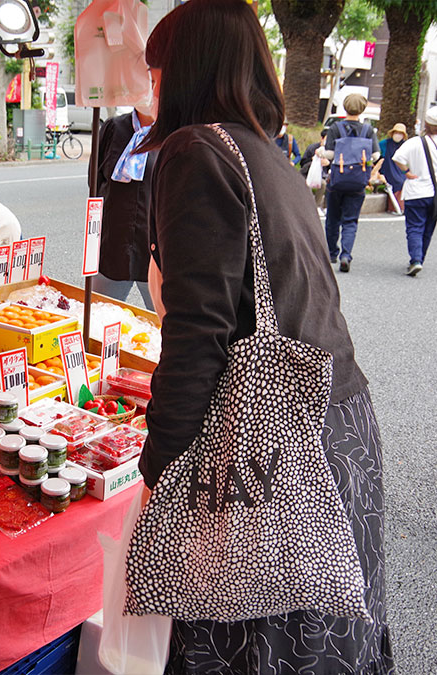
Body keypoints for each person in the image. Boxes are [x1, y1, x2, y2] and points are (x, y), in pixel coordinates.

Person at [132, 1, 392, 672]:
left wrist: (160, 468)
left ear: (184, 69)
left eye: (157, 68)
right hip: (337, 425)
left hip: (273, 440)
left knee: (256, 631)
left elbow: (197, 330)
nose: (151, 85)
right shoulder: (266, 154)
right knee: (324, 615)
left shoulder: (195, 150)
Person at [93, 108, 156, 310]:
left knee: (164, 328)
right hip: (113, 243)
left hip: (156, 249)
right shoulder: (113, 128)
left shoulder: (174, 131)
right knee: (98, 319)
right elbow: (94, 184)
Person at [323, 93, 380, 272]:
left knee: (332, 218)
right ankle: (346, 255)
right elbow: (377, 155)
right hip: (358, 181)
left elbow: (330, 154)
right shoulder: (368, 130)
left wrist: (322, 154)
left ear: (345, 107)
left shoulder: (335, 128)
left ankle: (332, 252)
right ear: (362, 109)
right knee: (350, 220)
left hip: (337, 180)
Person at [390, 108, 437, 277]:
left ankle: (415, 260)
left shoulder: (416, 142)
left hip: (416, 191)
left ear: (426, 124)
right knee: (428, 228)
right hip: (435, 194)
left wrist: (407, 171)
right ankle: (420, 259)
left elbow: (397, 158)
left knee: (415, 227)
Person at [378, 122, 408, 214]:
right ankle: (395, 207)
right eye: (396, 132)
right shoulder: (384, 143)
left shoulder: (406, 145)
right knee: (397, 181)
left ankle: (400, 207)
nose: (398, 135)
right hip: (388, 168)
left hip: (400, 169)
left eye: (400, 133)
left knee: (403, 181)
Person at [299, 128, 330, 213]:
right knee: (308, 185)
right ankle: (309, 206)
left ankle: (319, 206)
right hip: (309, 174)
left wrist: (328, 163)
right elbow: (302, 162)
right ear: (322, 138)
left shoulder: (330, 150)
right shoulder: (312, 148)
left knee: (325, 184)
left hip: (322, 175)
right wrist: (312, 160)